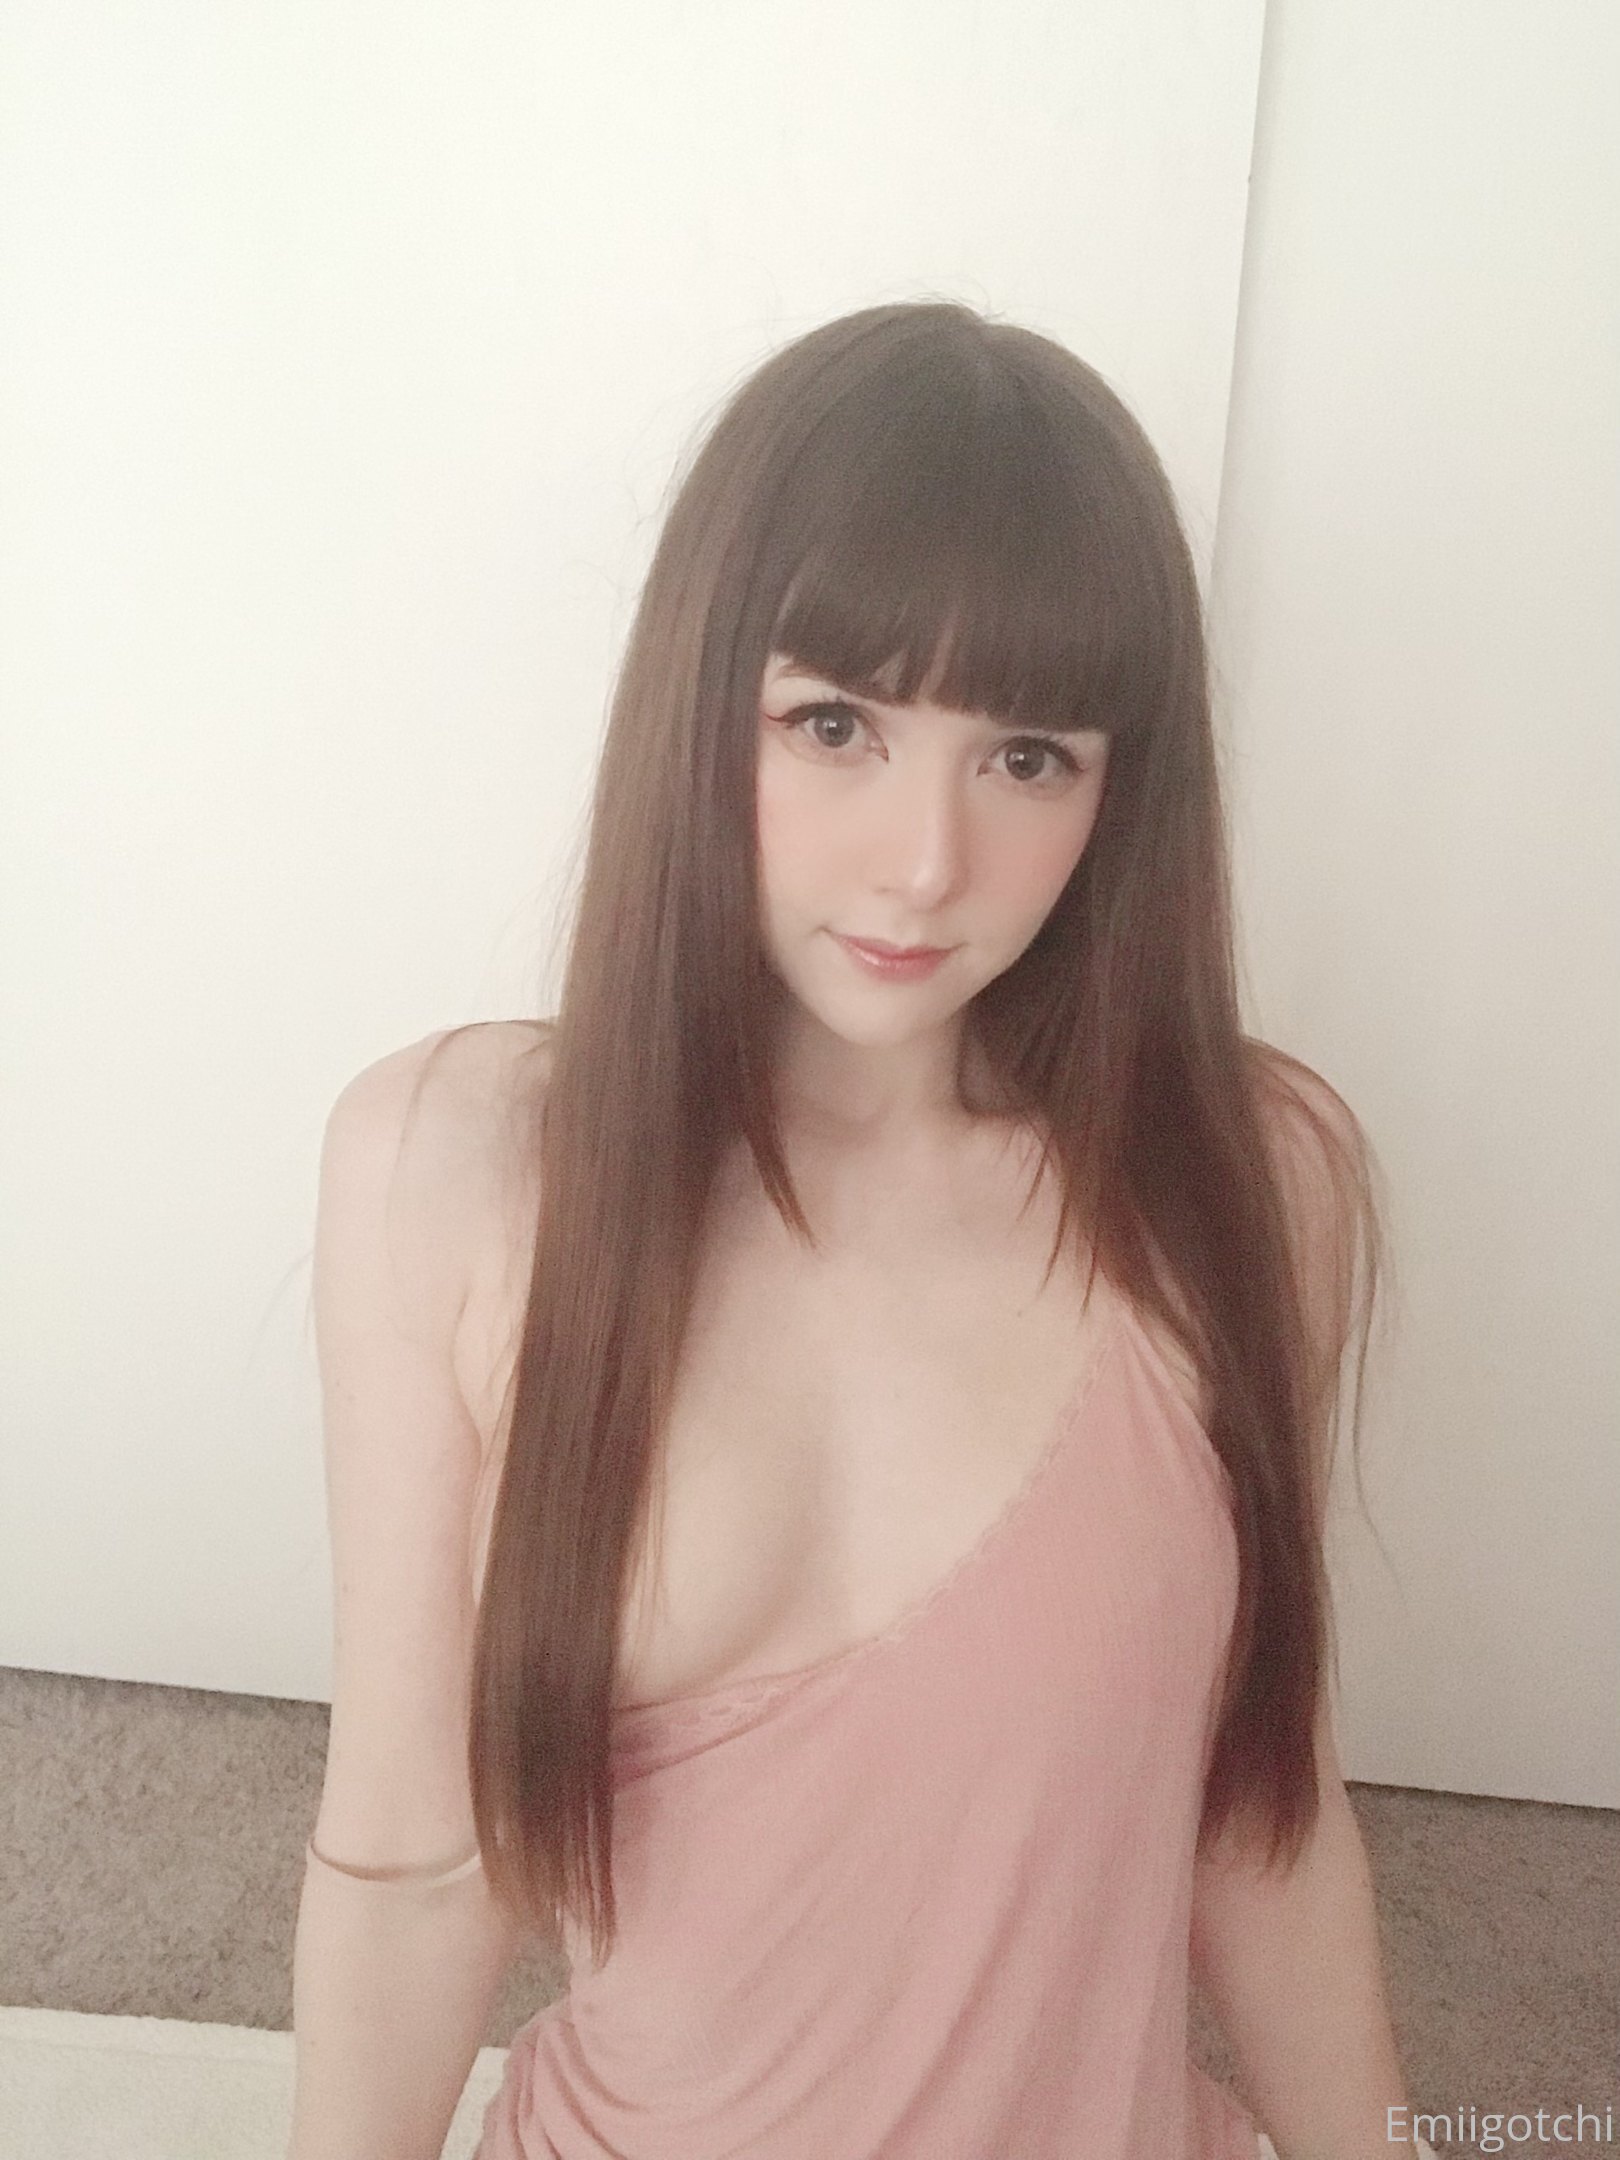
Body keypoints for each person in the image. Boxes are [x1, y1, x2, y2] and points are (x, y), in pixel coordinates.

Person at [287, 300, 1430, 2160]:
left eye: (1029, 756)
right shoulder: (454, 1169)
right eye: (835, 723)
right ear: (699, 704)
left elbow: (1259, 1816)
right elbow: (414, 1860)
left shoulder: (1251, 1178)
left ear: (1121, 788)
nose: (924, 863)